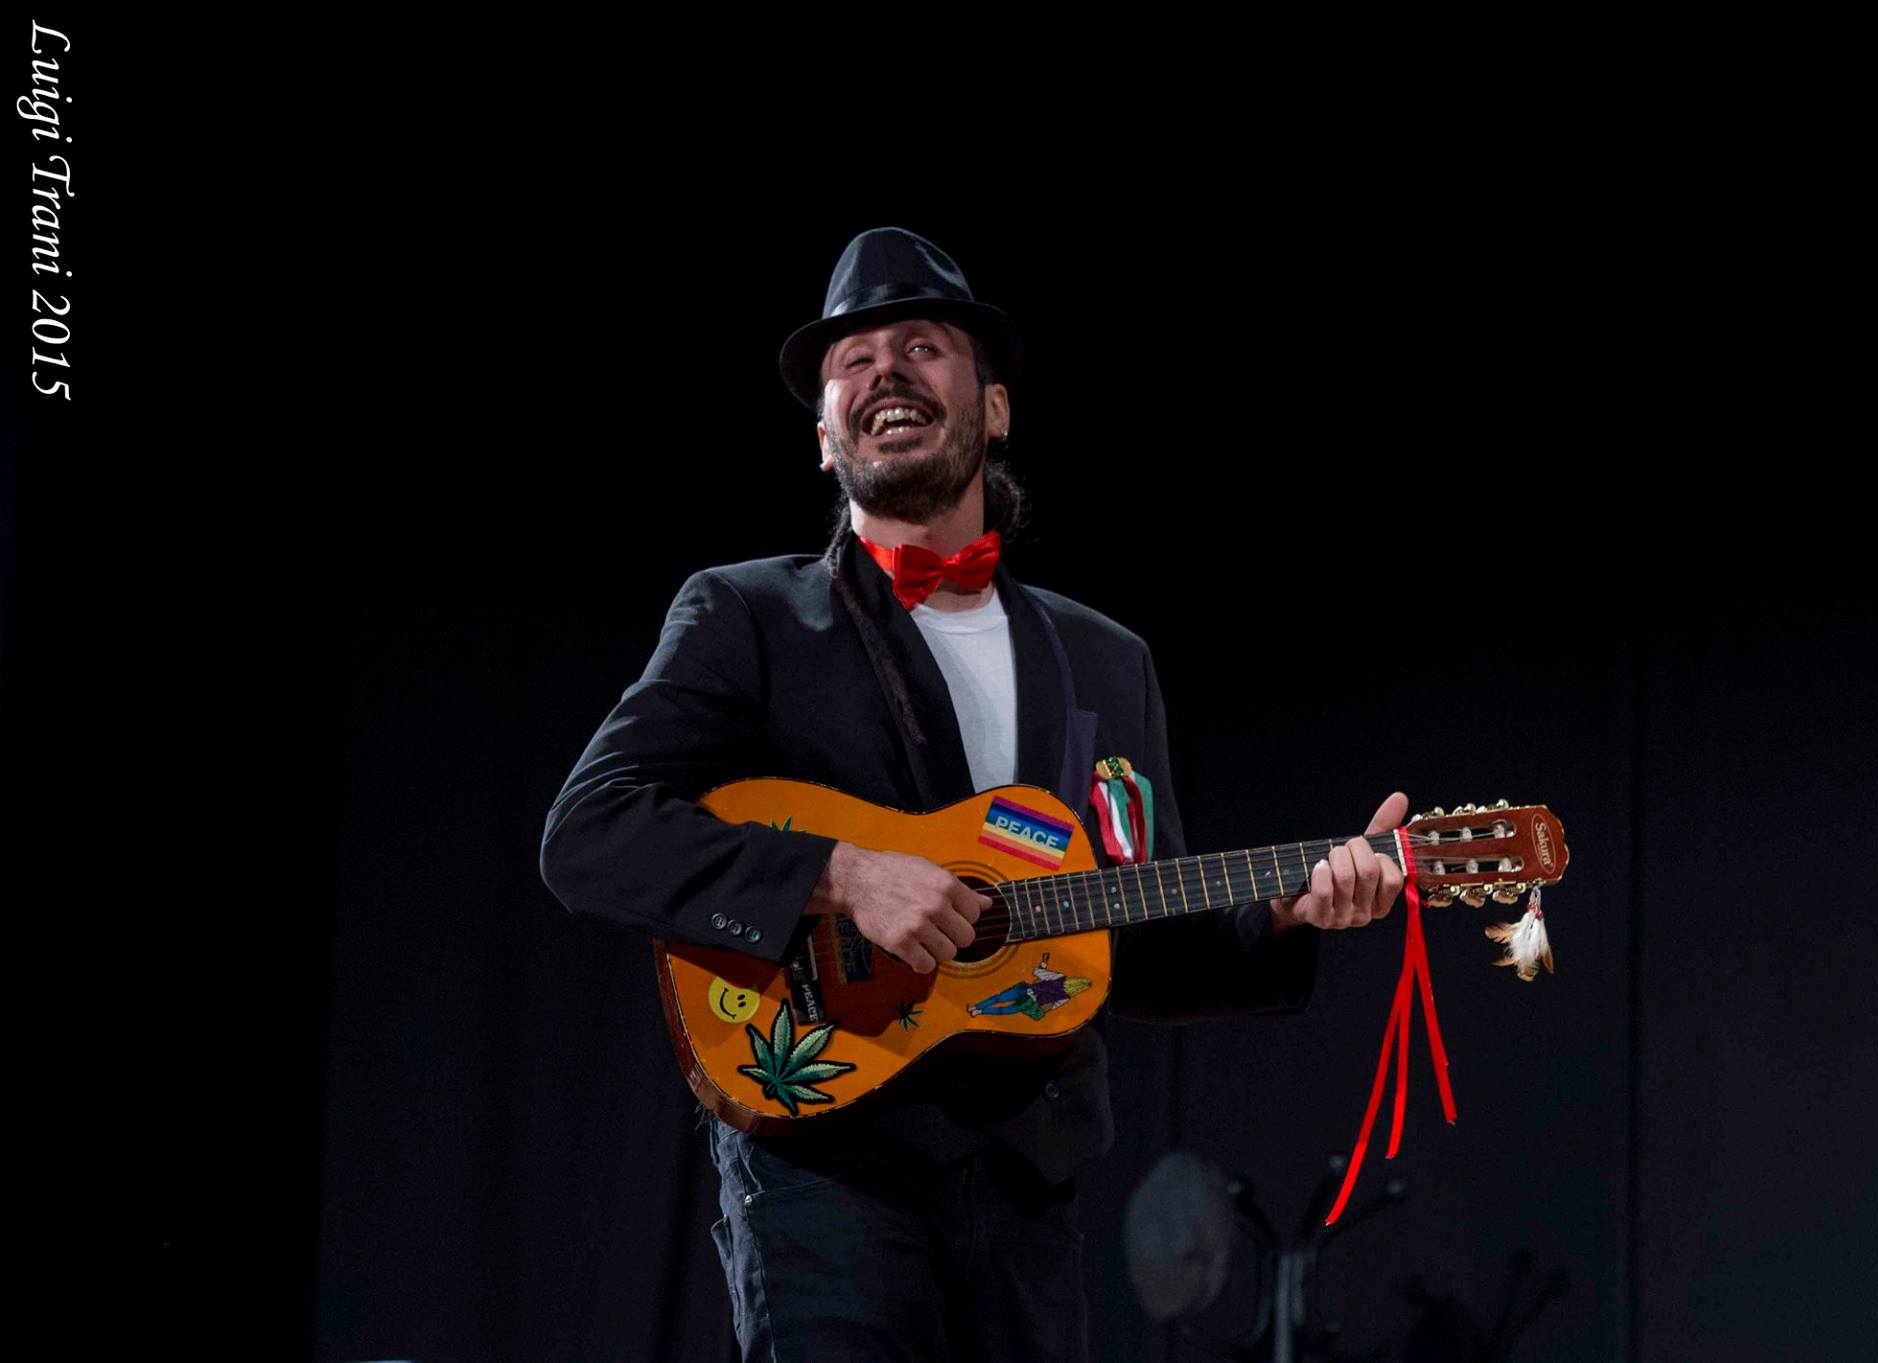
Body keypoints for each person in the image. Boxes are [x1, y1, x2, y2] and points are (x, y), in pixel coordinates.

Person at [539, 227, 1409, 1362]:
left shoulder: (1106, 661)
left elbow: (1123, 937)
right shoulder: (744, 618)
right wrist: (838, 875)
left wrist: (1286, 914)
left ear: (993, 408)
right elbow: (587, 834)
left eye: (921, 346)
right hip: (824, 1168)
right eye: (852, 362)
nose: (884, 371)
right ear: (821, 438)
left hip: (1028, 1184)